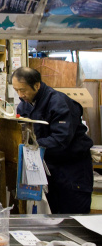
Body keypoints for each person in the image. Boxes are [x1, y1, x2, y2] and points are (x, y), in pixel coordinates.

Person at [12, 67, 93, 214]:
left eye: (23, 90)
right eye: (16, 90)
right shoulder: (24, 105)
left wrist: (32, 147)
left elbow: (61, 139)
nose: (20, 95)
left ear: (37, 85)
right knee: (51, 218)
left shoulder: (58, 102)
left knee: (73, 218)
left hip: (71, 172)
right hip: (50, 172)